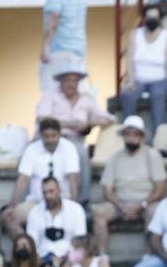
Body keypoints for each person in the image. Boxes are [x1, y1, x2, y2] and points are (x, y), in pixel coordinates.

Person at [37, 64, 114, 205]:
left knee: (82, 153)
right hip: (50, 135)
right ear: (60, 81)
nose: (71, 83)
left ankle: (82, 200)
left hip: (74, 139)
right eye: (67, 80)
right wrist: (72, 124)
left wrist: (89, 123)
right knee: (27, 155)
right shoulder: (50, 96)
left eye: (74, 80)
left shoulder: (86, 99)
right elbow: (42, 119)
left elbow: (108, 118)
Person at [92, 117, 167, 257]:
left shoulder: (152, 155)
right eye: (128, 134)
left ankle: (149, 255)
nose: (132, 137)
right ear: (123, 136)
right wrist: (120, 205)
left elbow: (161, 188)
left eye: (135, 134)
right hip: (120, 203)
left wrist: (142, 205)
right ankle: (102, 257)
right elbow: (107, 189)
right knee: (99, 213)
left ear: (141, 136)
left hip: (146, 202)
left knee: (155, 211)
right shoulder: (114, 158)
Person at [3, 119, 80, 237]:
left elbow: (73, 178)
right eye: (46, 136)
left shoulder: (69, 148)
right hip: (37, 202)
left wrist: (74, 206)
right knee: (8, 218)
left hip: (63, 202)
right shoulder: (31, 149)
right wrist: (12, 205)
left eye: (53, 136)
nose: (50, 140)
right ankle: (30, 250)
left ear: (59, 134)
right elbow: (23, 179)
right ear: (40, 135)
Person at [119, 6, 167, 136]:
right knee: (127, 95)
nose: (152, 20)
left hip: (159, 79)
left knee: (158, 96)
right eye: (149, 17)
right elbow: (129, 59)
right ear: (144, 18)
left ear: (160, 19)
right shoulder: (135, 34)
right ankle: (128, 132)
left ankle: (159, 137)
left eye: (155, 17)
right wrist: (130, 80)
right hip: (138, 78)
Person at [40, 0, 86, 90]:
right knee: (75, 93)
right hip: (78, 50)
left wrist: (45, 47)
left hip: (59, 50)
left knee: (52, 93)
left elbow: (54, 19)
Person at [26, 176, 87, 267]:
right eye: (45, 192)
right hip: (42, 259)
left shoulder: (76, 209)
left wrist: (65, 258)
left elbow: (80, 241)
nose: (48, 196)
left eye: (51, 191)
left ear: (59, 190)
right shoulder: (34, 212)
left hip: (69, 260)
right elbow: (32, 241)